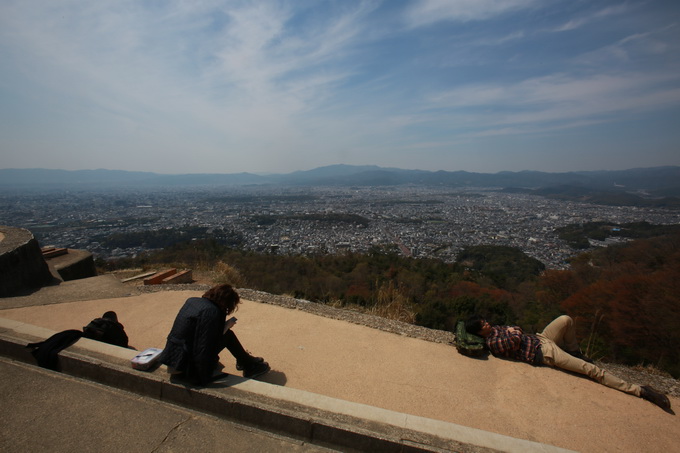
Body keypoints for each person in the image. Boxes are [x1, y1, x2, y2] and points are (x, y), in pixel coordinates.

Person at [465, 314, 672, 411]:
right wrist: (514, 330)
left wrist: (514, 329)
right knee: (592, 370)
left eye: (484, 320)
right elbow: (516, 335)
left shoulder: (494, 331)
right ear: (478, 332)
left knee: (565, 320)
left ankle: (575, 352)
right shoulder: (493, 342)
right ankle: (641, 390)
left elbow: (514, 328)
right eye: (482, 325)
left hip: (541, 338)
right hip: (545, 353)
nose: (487, 323)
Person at [159, 284, 270, 385]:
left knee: (226, 333)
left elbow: (198, 333)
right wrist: (203, 374)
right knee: (228, 336)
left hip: (173, 358)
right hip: (184, 366)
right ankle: (248, 365)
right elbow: (203, 346)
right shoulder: (211, 311)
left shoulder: (192, 301)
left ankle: (244, 360)